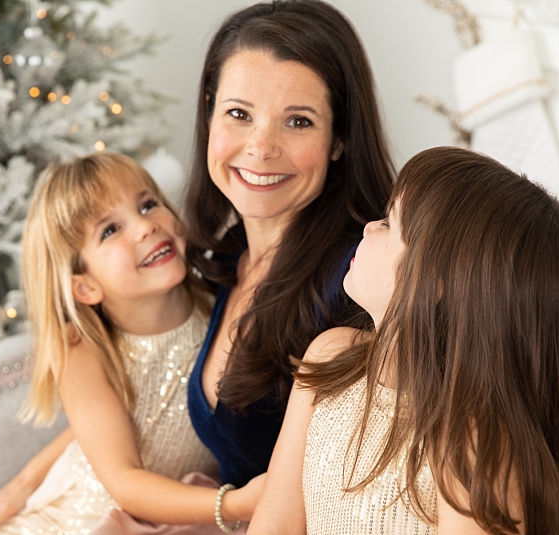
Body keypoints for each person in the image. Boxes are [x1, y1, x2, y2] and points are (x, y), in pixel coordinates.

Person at [250, 147, 559, 534]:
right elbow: (274, 522)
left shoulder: (474, 448)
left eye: (387, 223)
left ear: (433, 282)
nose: (367, 228)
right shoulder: (331, 355)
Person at [0, 153, 241, 535]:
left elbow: (119, 425)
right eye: (110, 230)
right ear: (84, 286)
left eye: (148, 204)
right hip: (81, 522)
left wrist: (21, 484)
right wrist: (241, 502)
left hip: (180, 510)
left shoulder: (217, 300)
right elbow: (123, 480)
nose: (144, 227)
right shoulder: (84, 350)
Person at [181, 0, 394, 514]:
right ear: (209, 110)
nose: (260, 147)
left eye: (297, 122)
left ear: (339, 138)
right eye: (238, 113)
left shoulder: (356, 286)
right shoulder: (228, 251)